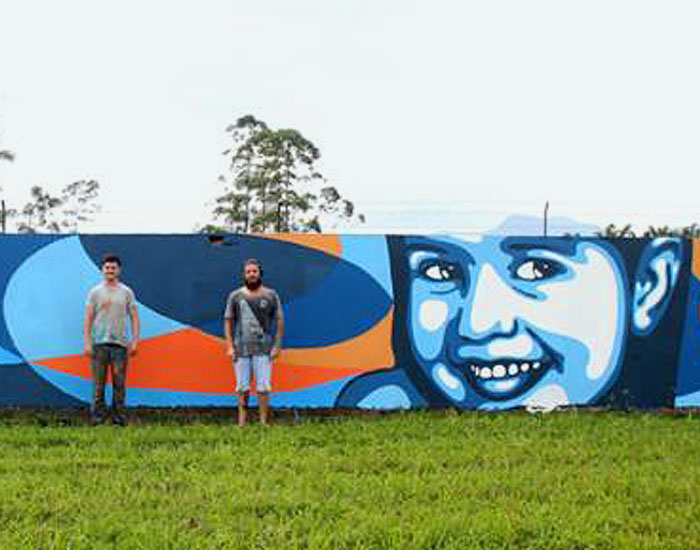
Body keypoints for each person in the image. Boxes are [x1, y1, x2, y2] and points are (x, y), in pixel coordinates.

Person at [337, 235, 688, 411]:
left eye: (537, 269)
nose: (479, 325)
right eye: (440, 271)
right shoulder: (373, 394)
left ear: (650, 285)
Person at [224, 258, 284, 425]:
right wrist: (229, 346)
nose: (251, 274)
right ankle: (242, 422)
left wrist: (277, 346)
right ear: (244, 275)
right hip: (240, 350)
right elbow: (228, 320)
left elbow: (279, 320)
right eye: (248, 272)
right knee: (242, 387)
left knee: (263, 387)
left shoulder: (271, 295)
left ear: (260, 274)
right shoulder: (235, 296)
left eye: (254, 271)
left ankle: (263, 422)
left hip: (264, 350)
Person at [83, 254, 140, 425]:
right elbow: (88, 319)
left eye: (113, 268)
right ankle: (97, 419)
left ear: (119, 270)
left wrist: (135, 341)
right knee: (98, 385)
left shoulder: (127, 292)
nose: (110, 270)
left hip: (120, 345)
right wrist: (87, 343)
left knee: (119, 385)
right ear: (102, 270)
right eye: (107, 267)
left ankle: (119, 419)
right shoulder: (95, 292)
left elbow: (135, 318)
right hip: (99, 344)